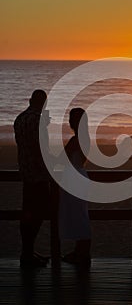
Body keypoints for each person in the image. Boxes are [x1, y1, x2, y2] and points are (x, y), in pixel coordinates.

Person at [14, 89, 51, 268]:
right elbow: (40, 149)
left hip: (25, 173)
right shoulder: (39, 120)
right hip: (39, 175)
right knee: (39, 213)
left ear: (30, 100)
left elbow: (22, 146)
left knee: (27, 213)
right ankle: (28, 254)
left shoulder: (19, 119)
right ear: (44, 103)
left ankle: (27, 251)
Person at [58, 108, 91, 265]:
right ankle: (80, 251)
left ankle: (82, 253)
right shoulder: (85, 138)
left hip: (74, 178)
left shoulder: (75, 140)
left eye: (71, 119)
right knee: (80, 213)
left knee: (78, 215)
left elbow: (61, 159)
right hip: (81, 174)